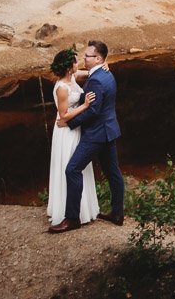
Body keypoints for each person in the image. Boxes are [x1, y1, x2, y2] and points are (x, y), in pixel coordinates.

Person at [49, 40, 125, 233]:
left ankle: (72, 219)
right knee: (113, 172)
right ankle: (117, 213)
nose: (83, 58)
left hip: (96, 134)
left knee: (72, 170)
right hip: (108, 130)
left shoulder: (97, 79)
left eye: (87, 56)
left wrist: (69, 122)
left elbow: (93, 111)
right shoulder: (106, 74)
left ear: (97, 58)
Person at [46, 48, 99, 226]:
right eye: (76, 62)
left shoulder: (73, 78)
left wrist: (103, 65)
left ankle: (83, 209)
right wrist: (85, 106)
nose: (79, 64)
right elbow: (63, 116)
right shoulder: (61, 87)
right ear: (69, 67)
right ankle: (67, 211)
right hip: (65, 131)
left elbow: (88, 72)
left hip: (75, 129)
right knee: (68, 165)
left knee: (78, 167)